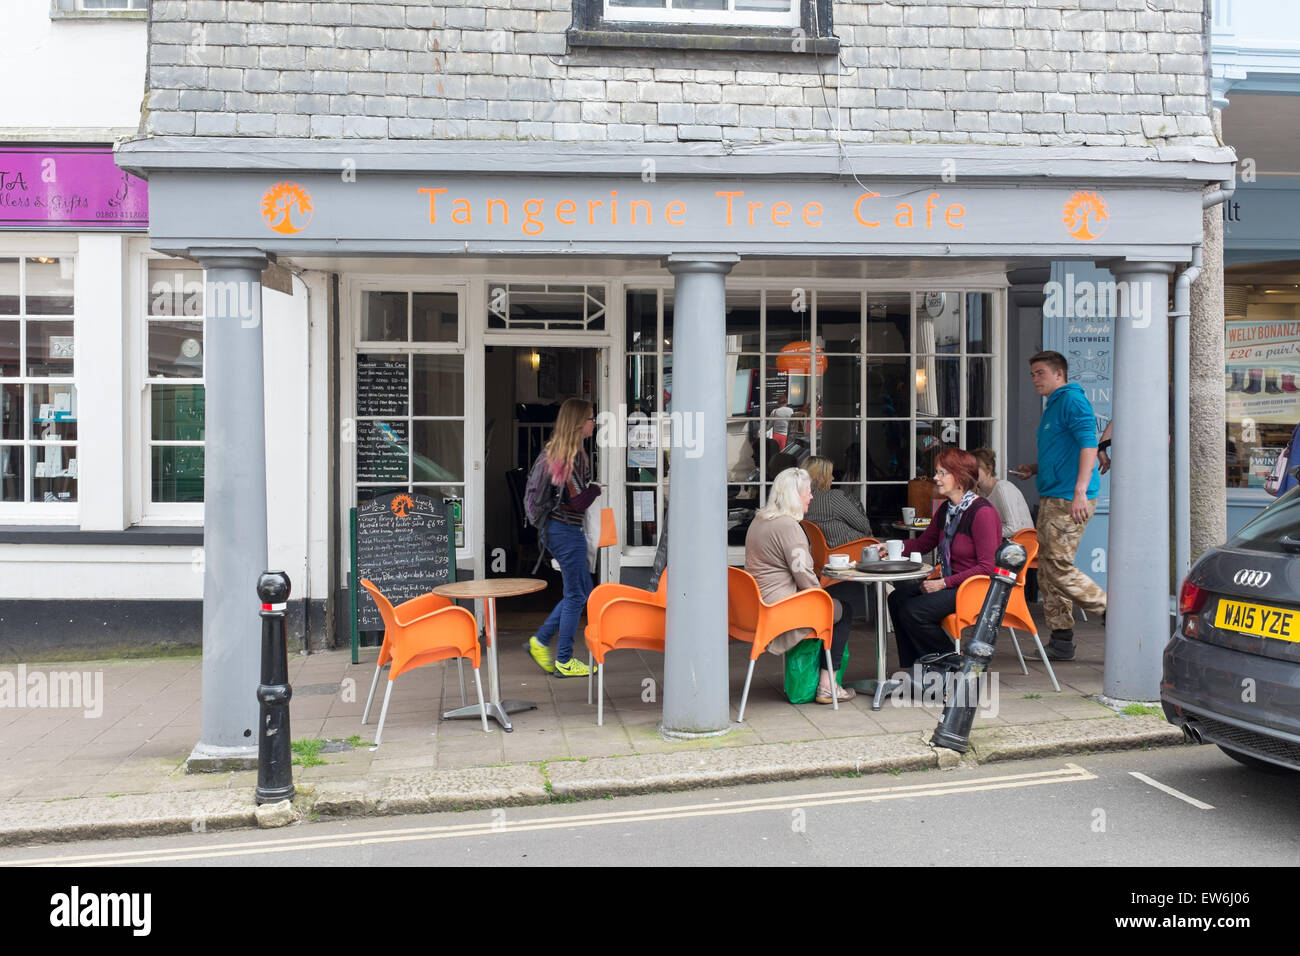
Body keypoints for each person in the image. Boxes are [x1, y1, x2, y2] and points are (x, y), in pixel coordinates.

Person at [1011, 350, 1107, 661]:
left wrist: (1080, 490)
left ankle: (1114, 613)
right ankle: (1061, 640)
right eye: (1033, 374)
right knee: (1048, 572)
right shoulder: (1054, 404)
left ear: (1059, 374)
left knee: (1059, 568)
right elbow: (1063, 452)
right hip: (1054, 495)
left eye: (1040, 373)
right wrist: (1035, 469)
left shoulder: (1071, 400)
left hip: (1069, 499)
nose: (1035, 379)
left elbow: (1089, 445)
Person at [880, 447, 1001, 684]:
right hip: (953, 582)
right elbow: (924, 543)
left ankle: (959, 663)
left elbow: (987, 567)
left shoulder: (982, 513)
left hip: (975, 588)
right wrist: (889, 547)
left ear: (961, 477)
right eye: (937, 472)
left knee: (914, 611)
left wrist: (943, 583)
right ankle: (919, 667)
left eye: (942, 473)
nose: (935, 478)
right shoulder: (948, 509)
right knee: (897, 599)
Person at [744, 467, 856, 705]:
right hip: (781, 611)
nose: (812, 497)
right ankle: (828, 684)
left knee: (831, 601)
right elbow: (803, 574)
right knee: (842, 609)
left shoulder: (759, 521)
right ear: (795, 496)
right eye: (808, 492)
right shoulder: (788, 526)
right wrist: (822, 597)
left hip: (757, 606)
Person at [527, 398, 600, 678]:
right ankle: (564, 660)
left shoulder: (558, 453)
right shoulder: (568, 457)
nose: (595, 423)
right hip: (567, 531)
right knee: (575, 595)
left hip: (560, 530)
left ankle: (541, 640)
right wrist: (595, 489)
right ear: (579, 423)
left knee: (581, 592)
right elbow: (579, 501)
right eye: (591, 418)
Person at [802, 455, 874, 547]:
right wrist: (855, 502)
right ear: (820, 477)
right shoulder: (832, 497)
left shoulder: (803, 501)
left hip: (826, 554)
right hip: (852, 551)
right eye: (830, 474)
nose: (833, 478)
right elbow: (864, 526)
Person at [972, 447, 1033, 539]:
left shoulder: (1002, 488)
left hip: (1022, 545)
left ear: (989, 469)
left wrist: (985, 534)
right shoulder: (981, 493)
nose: (972, 472)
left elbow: (1014, 528)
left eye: (976, 468)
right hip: (1005, 543)